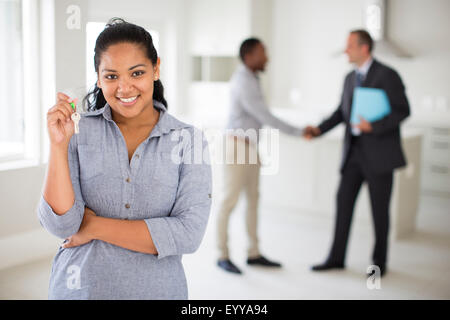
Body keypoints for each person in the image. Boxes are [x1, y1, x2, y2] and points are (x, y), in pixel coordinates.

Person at [38, 18, 212, 299]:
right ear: (98, 77)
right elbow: (62, 226)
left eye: (136, 73)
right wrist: (59, 146)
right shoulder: (77, 132)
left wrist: (93, 226)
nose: (124, 88)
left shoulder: (189, 140)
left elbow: (188, 234)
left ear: (156, 69)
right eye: (111, 76)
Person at [303, 29, 410, 277]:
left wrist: (374, 125)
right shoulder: (349, 78)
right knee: (343, 205)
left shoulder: (387, 75)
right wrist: (318, 130)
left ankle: (379, 263)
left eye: (350, 45)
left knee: (379, 212)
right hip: (353, 154)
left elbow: (403, 110)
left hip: (379, 155)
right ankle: (336, 258)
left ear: (364, 48)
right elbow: (342, 112)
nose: (345, 50)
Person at [217, 38, 304, 274]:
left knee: (253, 200)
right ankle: (222, 254)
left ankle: (253, 253)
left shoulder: (252, 79)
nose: (267, 58)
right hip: (237, 145)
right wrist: (299, 131)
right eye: (263, 53)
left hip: (250, 146)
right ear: (250, 55)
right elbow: (265, 115)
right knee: (229, 201)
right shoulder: (243, 81)